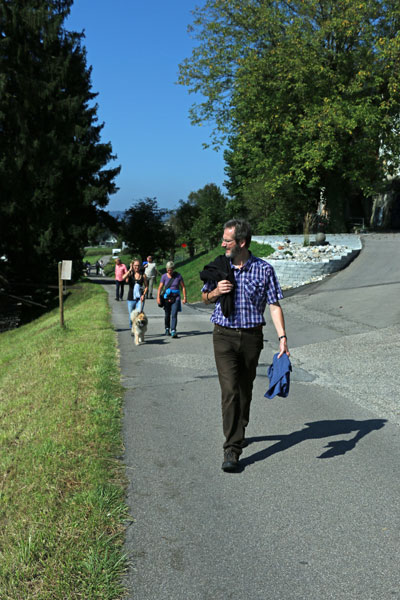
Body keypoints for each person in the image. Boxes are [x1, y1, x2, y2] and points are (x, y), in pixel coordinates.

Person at [200, 219, 290, 473]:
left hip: (251, 338)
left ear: (241, 242)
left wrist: (283, 338)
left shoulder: (264, 270)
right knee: (229, 390)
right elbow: (204, 298)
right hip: (223, 336)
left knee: (244, 390)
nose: (222, 244)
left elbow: (274, 305)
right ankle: (232, 447)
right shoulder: (219, 267)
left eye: (227, 240)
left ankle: (240, 426)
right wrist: (216, 292)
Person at [157, 261, 187, 338]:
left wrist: (184, 297)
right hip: (167, 298)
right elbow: (160, 288)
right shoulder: (164, 276)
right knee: (167, 314)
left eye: (171, 270)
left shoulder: (178, 276)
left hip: (176, 297)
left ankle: (173, 330)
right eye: (168, 270)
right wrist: (158, 298)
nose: (169, 271)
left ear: (173, 269)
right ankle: (167, 328)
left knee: (174, 314)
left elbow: (183, 287)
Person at [123, 259, 148, 329]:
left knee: (139, 314)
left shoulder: (143, 275)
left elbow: (146, 287)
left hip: (140, 298)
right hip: (131, 298)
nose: (137, 267)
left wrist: (143, 295)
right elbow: (123, 278)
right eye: (135, 265)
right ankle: (132, 328)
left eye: (138, 265)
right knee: (132, 315)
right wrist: (129, 270)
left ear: (140, 266)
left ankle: (138, 329)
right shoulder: (130, 274)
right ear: (133, 266)